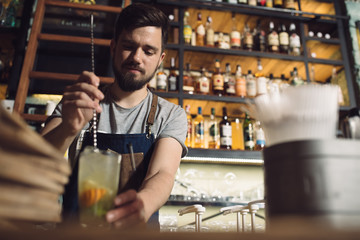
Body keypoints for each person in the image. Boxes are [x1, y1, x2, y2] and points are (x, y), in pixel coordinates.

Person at [41, 3, 187, 229]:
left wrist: (143, 203)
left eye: (148, 51)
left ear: (160, 59)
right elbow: (36, 164)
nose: (137, 57)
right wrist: (67, 129)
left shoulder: (170, 115)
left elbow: (162, 173)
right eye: (129, 46)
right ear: (113, 47)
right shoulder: (79, 101)